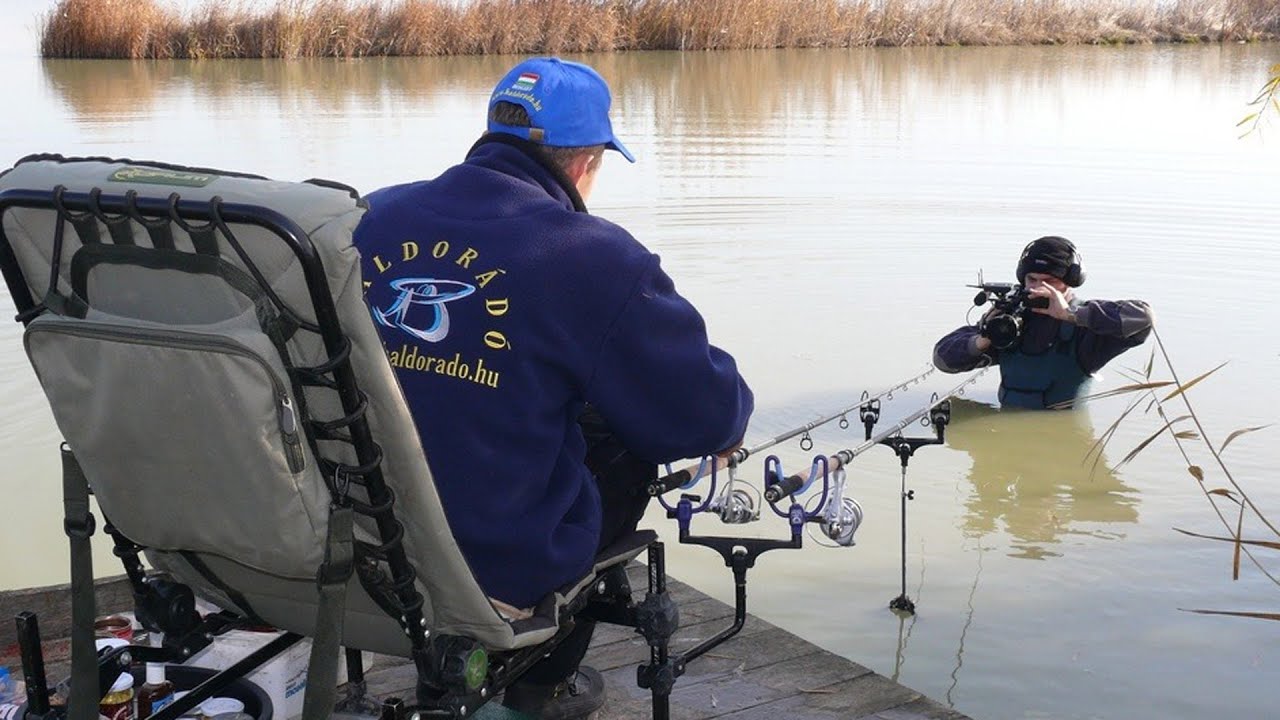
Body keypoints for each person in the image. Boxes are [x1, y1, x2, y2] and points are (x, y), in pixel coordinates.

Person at [353, 57, 754, 718]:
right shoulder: (590, 254)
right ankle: (536, 689)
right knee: (626, 439)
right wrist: (732, 420)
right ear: (585, 163)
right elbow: (703, 415)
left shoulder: (367, 218)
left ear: (488, 138)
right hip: (494, 571)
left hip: (357, 550)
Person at [933, 236, 1153, 409]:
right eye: (1032, 280)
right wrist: (984, 339)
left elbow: (1143, 318)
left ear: (1070, 283)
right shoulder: (1013, 319)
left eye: (1050, 282)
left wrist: (1071, 314)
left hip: (1064, 436)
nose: (1038, 288)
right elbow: (942, 360)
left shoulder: (1086, 327)